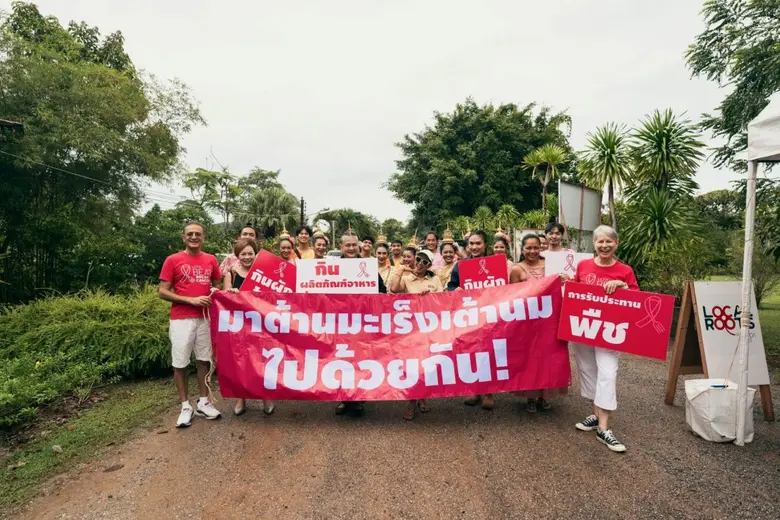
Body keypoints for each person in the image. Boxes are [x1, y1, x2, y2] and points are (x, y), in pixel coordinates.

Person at [571, 225, 638, 453]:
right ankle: (596, 413)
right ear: (594, 244)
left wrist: (622, 285)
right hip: (583, 328)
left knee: (608, 373)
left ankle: (604, 428)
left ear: (616, 244)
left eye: (609, 241)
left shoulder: (625, 270)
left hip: (610, 331)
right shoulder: (583, 266)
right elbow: (574, 292)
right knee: (588, 371)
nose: (604, 245)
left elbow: (637, 299)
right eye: (600, 241)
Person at [158, 222, 222, 428]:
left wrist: (214, 292)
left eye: (198, 234)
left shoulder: (211, 259)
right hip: (181, 319)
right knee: (181, 363)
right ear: (183, 237)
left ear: (203, 237)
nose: (194, 237)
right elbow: (162, 291)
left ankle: (203, 402)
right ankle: (186, 406)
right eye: (190, 234)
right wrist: (191, 300)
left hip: (205, 318)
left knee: (204, 361)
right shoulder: (173, 260)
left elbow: (217, 284)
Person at [511, 234, 568, 412]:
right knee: (530, 359)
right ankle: (530, 397)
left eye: (536, 248)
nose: (533, 251)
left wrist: (565, 280)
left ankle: (545, 396)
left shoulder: (551, 266)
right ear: (522, 249)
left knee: (549, 358)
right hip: (527, 322)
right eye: (528, 248)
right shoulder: (516, 270)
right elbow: (512, 297)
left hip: (550, 322)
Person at [334, 232, 387, 416]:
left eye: (353, 245)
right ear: (341, 248)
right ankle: (342, 398)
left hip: (363, 323)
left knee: (361, 360)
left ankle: (358, 399)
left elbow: (383, 292)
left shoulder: (369, 267)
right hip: (338, 324)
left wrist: (377, 297)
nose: (350, 248)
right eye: (347, 245)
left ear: (358, 247)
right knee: (340, 360)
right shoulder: (330, 266)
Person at [222, 239, 275, 416]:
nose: (247, 257)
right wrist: (232, 294)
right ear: (237, 255)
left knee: (262, 361)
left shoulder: (264, 273)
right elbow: (225, 298)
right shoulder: (232, 273)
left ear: (256, 254)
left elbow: (274, 297)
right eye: (243, 253)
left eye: (250, 253)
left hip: (262, 325)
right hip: (239, 326)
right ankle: (241, 398)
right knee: (241, 362)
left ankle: (266, 397)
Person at [388, 249, 443, 420]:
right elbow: (393, 288)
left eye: (425, 262)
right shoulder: (406, 278)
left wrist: (430, 297)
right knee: (412, 365)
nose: (420, 263)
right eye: (418, 259)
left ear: (429, 266)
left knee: (426, 364)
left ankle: (422, 398)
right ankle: (412, 402)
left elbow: (442, 301)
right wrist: (401, 269)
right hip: (410, 329)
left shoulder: (434, 279)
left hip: (428, 328)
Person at [445, 230, 495, 410]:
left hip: (490, 314)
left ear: (485, 245)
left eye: (478, 243)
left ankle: (489, 392)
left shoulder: (495, 264)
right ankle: (474, 390)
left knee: (489, 352)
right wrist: (454, 291)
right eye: (471, 244)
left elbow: (504, 288)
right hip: (468, 315)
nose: (474, 247)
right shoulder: (460, 266)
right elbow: (451, 286)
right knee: (471, 351)